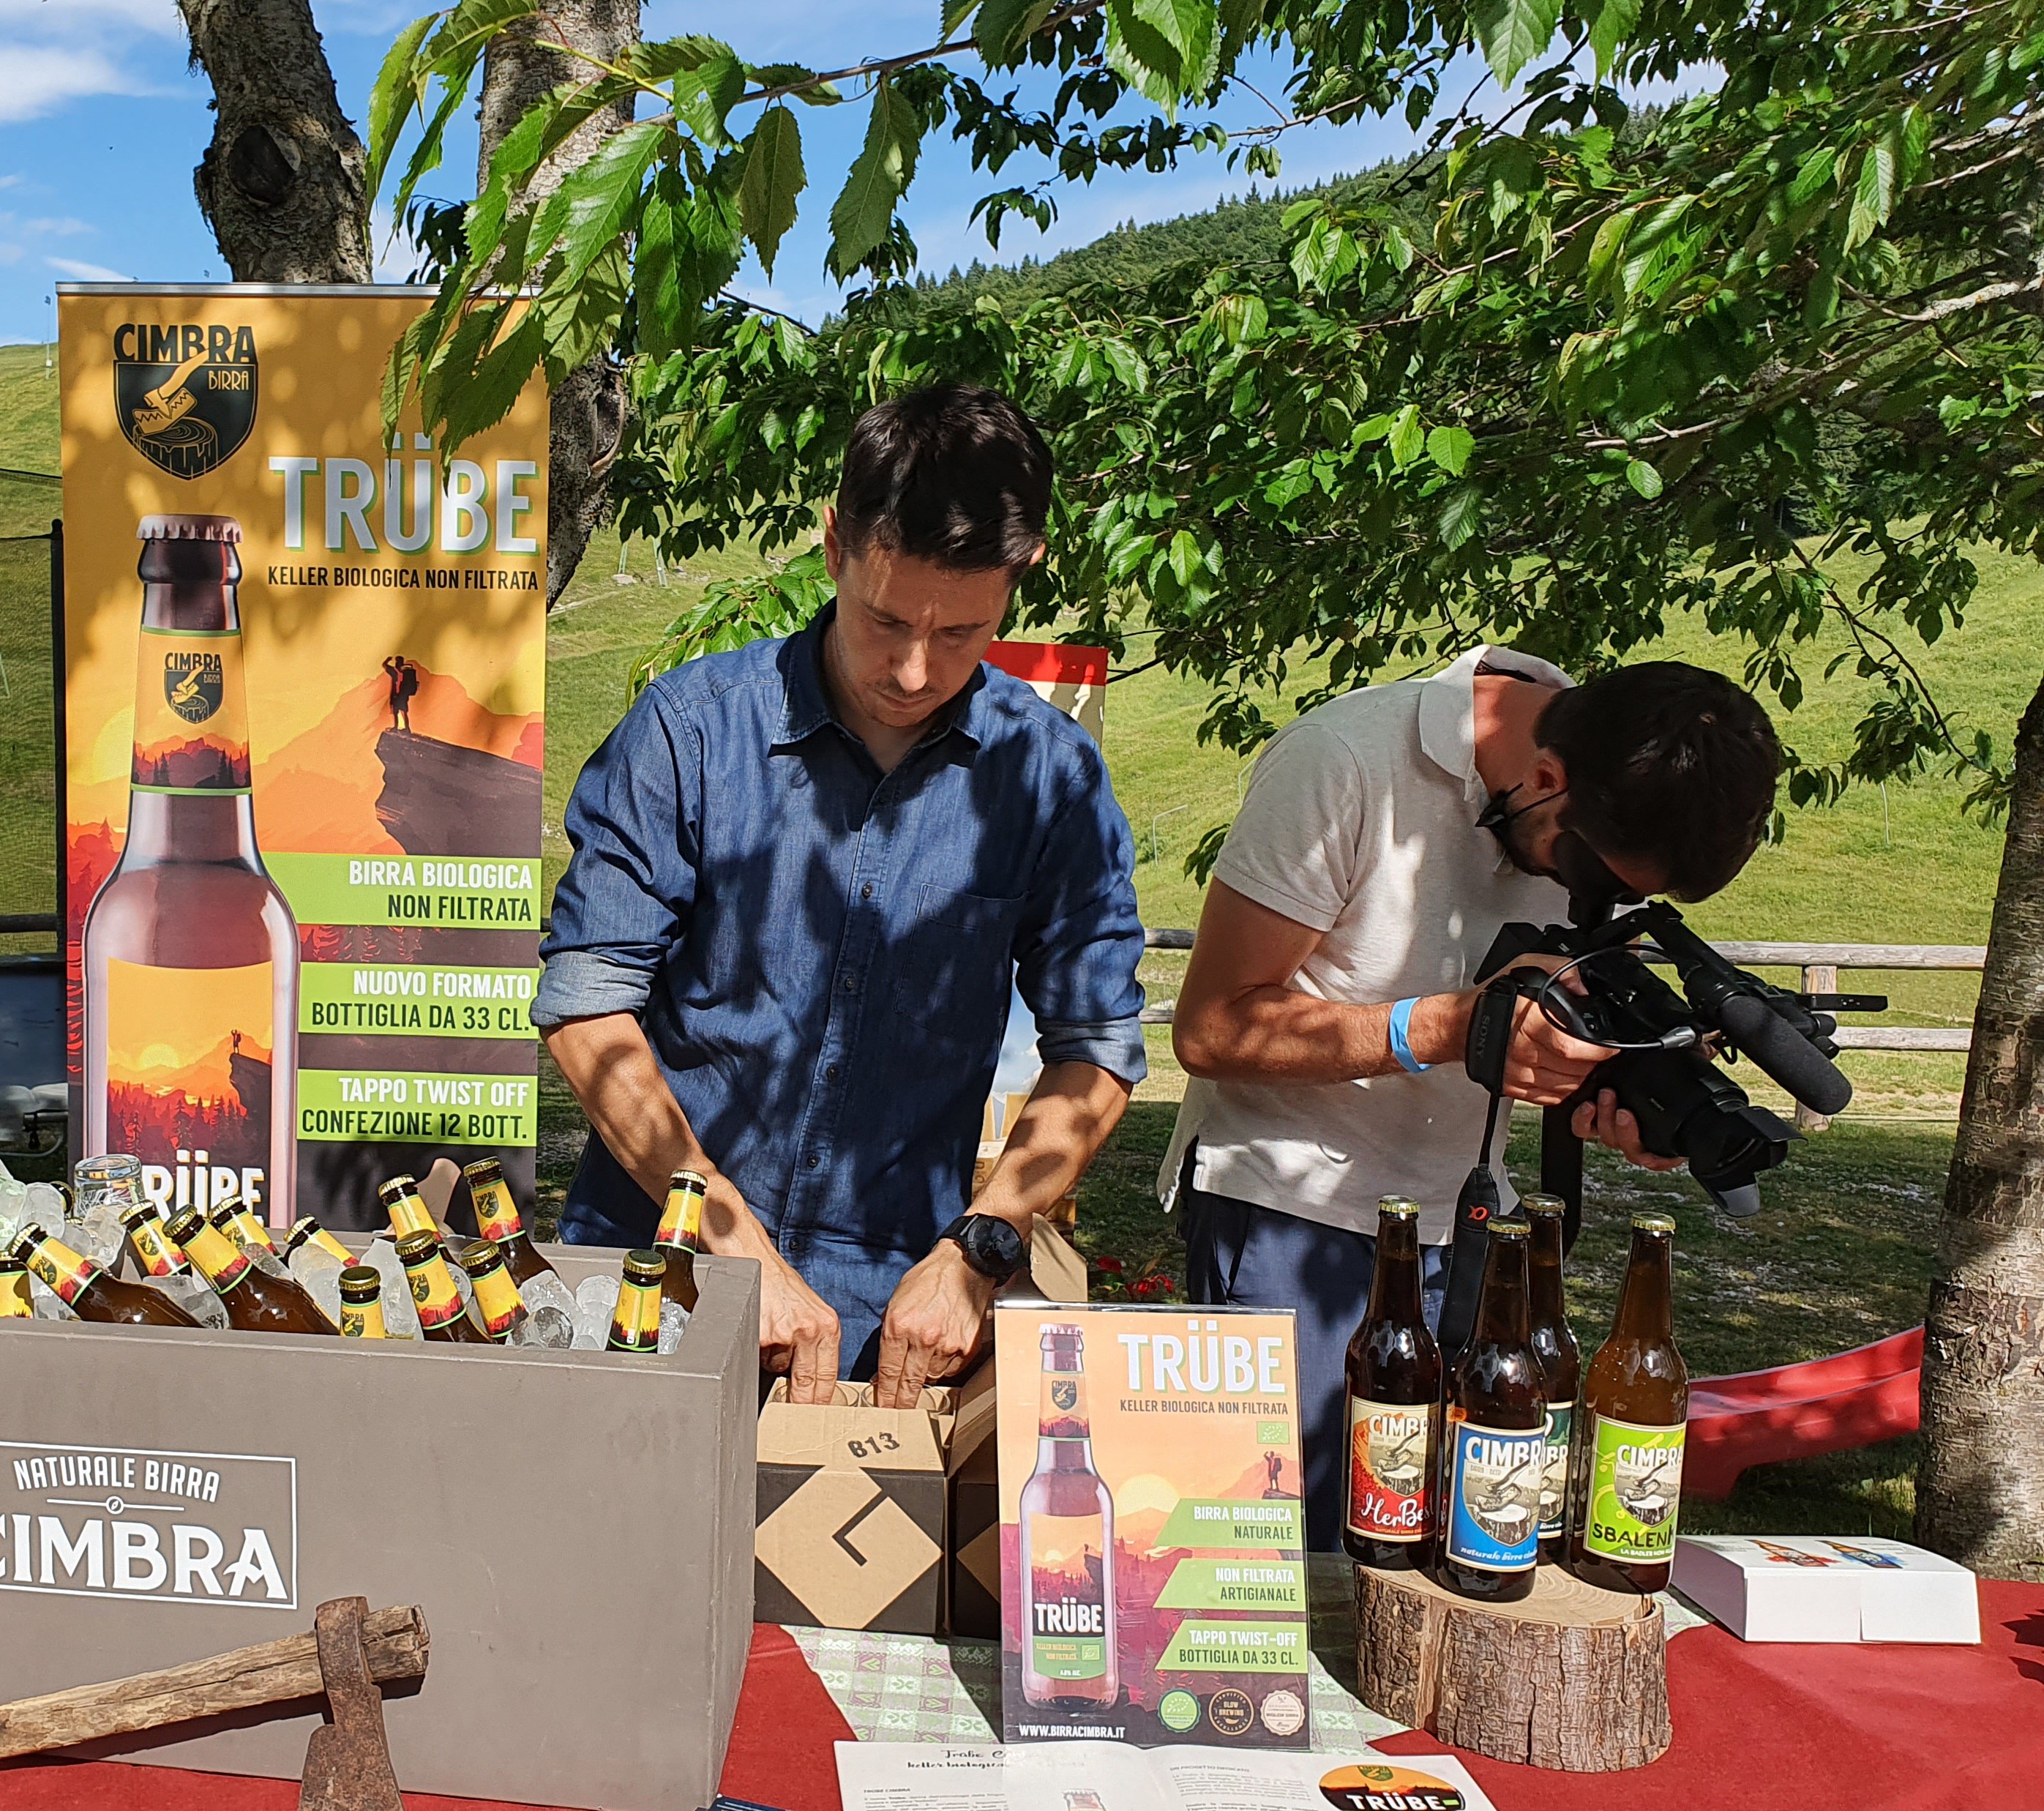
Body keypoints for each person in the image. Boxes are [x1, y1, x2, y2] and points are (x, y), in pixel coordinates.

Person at [534, 382, 1147, 1405]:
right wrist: (731, 1244)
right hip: (653, 1271)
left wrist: (980, 1250)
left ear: (1020, 576)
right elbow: (589, 1006)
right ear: (833, 543)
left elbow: (1098, 1052)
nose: (914, 669)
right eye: (886, 619)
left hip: (901, 1307)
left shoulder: (1050, 781)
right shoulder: (691, 731)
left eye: (962, 633)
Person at [1163, 652, 1781, 1547]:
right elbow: (1212, 1029)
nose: (1589, 898)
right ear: (1543, 778)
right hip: (1292, 1225)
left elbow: (1548, 1006)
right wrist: (1454, 1028)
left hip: (1467, 1233)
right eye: (1595, 876)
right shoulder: (1344, 760)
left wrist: (1609, 1091)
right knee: (1279, 1566)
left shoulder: (1612, 783)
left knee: (1433, 1558)